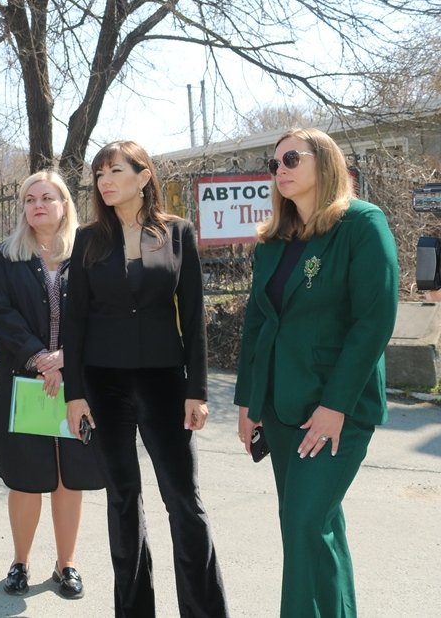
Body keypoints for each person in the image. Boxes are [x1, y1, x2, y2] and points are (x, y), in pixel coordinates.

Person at [234, 128, 398, 617]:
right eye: (274, 164)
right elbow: (258, 323)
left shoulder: (362, 224)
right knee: (312, 526)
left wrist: (335, 406)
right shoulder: (272, 241)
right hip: (281, 408)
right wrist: (249, 402)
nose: (279, 169)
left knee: (305, 521)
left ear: (324, 162)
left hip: (336, 410)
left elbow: (374, 321)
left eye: (291, 158)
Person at [64, 141, 229, 617]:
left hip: (164, 382)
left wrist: (197, 389)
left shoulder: (178, 233)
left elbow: (193, 316)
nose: (105, 181)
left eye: (115, 171)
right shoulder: (88, 239)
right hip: (104, 384)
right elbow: (75, 322)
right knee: (122, 499)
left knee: (184, 500)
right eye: (99, 174)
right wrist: (75, 395)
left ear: (143, 176)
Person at [0, 170, 104, 599]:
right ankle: (20, 562)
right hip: (23, 380)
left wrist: (66, 357)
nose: (38, 205)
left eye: (47, 197)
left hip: (78, 382)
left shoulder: (90, 252)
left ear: (64, 204)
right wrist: (39, 358)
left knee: (70, 474)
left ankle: (66, 564)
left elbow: (103, 312)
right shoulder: (8, 255)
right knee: (26, 475)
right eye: (30, 199)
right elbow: (1, 313)